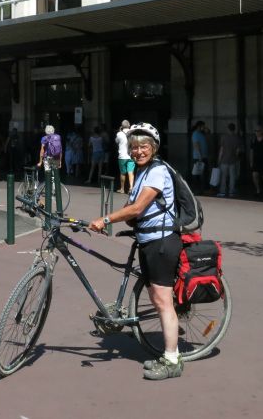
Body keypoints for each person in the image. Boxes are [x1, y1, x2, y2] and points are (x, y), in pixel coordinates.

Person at [88, 123, 182, 380]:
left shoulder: (157, 171)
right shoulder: (142, 172)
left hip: (162, 242)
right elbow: (133, 210)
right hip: (148, 240)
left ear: (154, 148)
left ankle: (172, 360)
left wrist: (106, 220)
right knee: (156, 297)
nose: (138, 151)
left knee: (163, 301)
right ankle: (167, 350)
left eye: (144, 146)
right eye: (134, 147)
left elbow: (137, 208)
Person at [217, 123, 242, 198]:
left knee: (223, 177)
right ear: (234, 129)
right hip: (233, 160)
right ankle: (231, 192)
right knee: (232, 177)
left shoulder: (223, 137)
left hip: (224, 160)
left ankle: (222, 192)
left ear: (228, 129)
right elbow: (238, 151)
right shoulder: (237, 138)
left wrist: (219, 159)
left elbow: (221, 150)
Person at [116, 120, 134, 194]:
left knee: (123, 173)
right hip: (131, 156)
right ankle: (131, 188)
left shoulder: (119, 134)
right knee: (130, 172)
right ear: (129, 125)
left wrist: (120, 130)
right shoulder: (132, 133)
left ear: (122, 126)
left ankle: (122, 189)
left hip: (122, 156)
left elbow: (117, 142)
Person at [190, 121, 208, 190]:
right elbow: (196, 145)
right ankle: (198, 188)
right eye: (203, 126)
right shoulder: (195, 134)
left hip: (203, 156)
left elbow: (208, 131)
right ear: (199, 126)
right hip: (199, 157)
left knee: (203, 173)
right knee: (198, 173)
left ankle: (202, 188)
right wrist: (200, 156)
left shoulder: (201, 133)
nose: (204, 128)